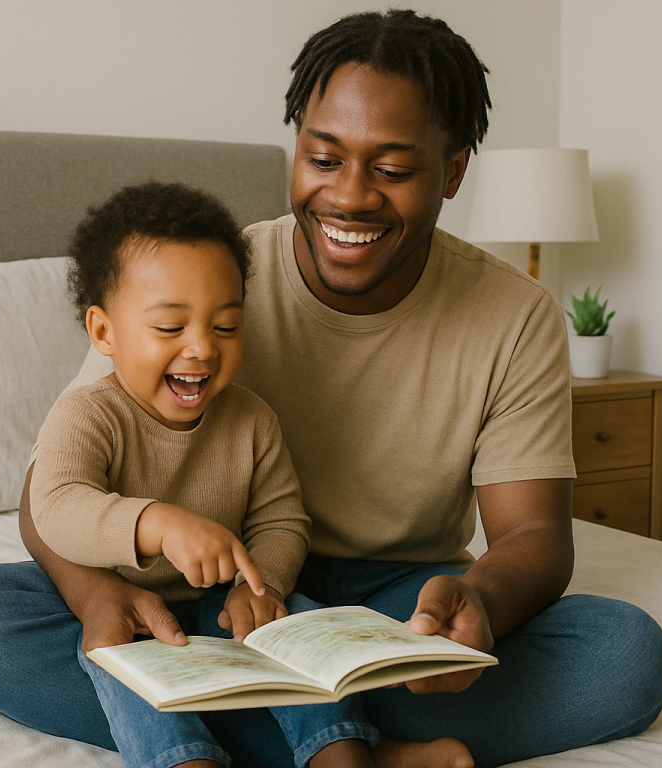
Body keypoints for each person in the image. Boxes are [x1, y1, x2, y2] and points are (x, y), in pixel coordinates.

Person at [0, 9, 662, 768]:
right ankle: (339, 744)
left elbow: (533, 538)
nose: (350, 197)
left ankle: (207, 712)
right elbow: (49, 496)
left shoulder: (515, 316)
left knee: (625, 655)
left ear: (453, 169)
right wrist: (96, 599)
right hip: (202, 590)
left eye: (391, 169)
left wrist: (478, 601)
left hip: (393, 606)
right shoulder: (211, 278)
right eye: (324, 158)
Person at [23, 179, 391, 768]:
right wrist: (154, 523)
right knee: (108, 660)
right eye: (170, 328)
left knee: (299, 622)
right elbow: (58, 503)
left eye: (225, 327)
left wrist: (258, 584)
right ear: (103, 332)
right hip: (131, 611)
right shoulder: (87, 415)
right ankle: (187, 758)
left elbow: (282, 519)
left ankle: (340, 751)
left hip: (224, 604)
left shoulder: (250, 419)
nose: (201, 348)